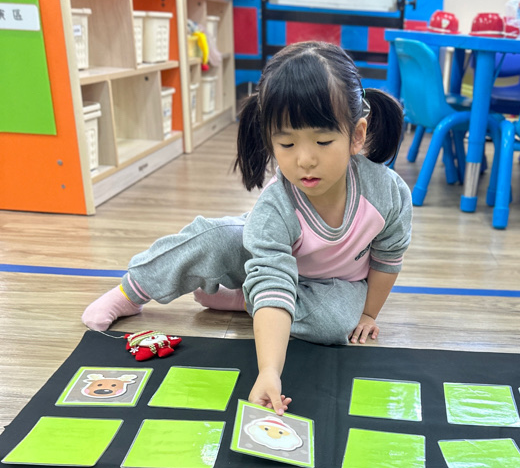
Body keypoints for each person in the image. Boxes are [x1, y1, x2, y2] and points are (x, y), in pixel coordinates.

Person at [82, 41, 411, 415]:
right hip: (268, 260)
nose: (305, 159)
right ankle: (132, 290)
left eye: (323, 141)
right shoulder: (277, 205)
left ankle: (244, 298)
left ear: (356, 135)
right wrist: (268, 371)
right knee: (216, 239)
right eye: (286, 143)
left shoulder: (386, 193)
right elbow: (273, 276)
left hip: (336, 284)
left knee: (335, 325)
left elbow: (387, 259)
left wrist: (369, 314)